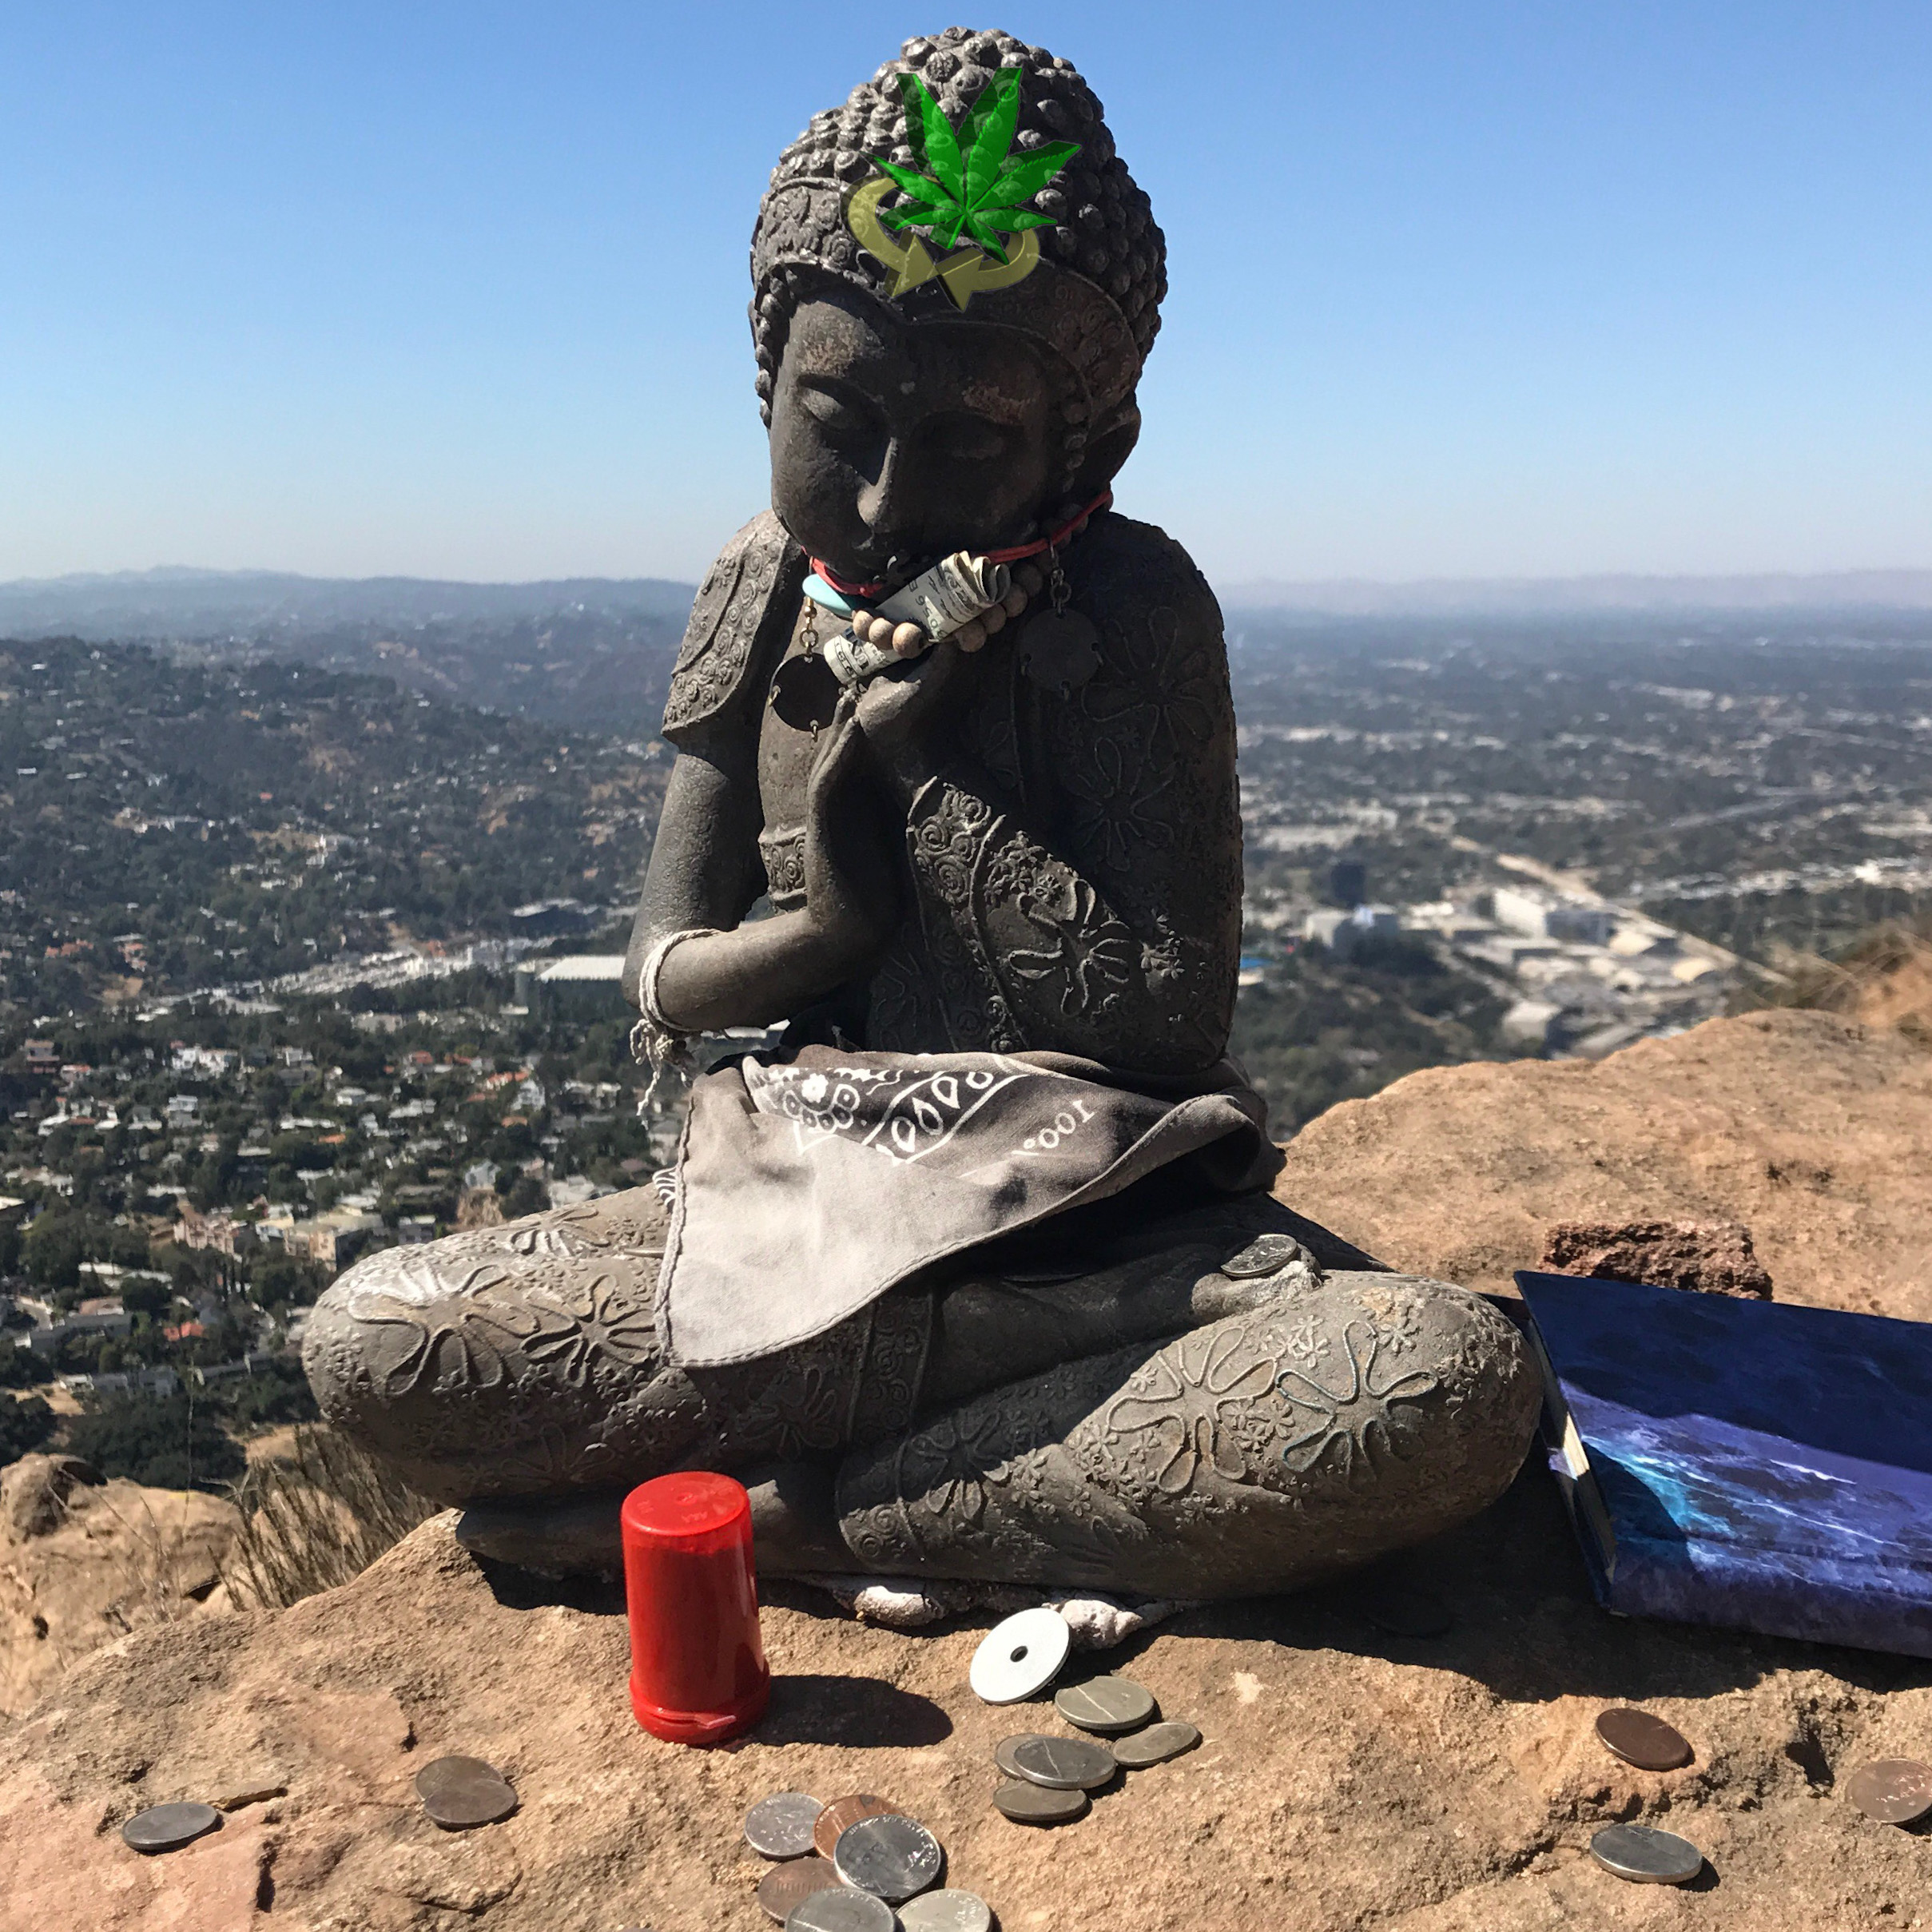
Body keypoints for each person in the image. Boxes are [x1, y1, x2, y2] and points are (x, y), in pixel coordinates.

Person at [305, 29, 1538, 1593]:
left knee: (1436, 1380)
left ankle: (819, 1519)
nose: (887, 499)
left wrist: (922, 771)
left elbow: (1165, 1017)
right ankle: (985, 1402)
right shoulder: (762, 585)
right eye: (839, 422)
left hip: (1103, 1215)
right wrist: (835, 923)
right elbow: (666, 975)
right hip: (806, 1198)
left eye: (967, 441)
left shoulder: (1133, 607)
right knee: (380, 1340)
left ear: (1085, 444)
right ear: (768, 381)